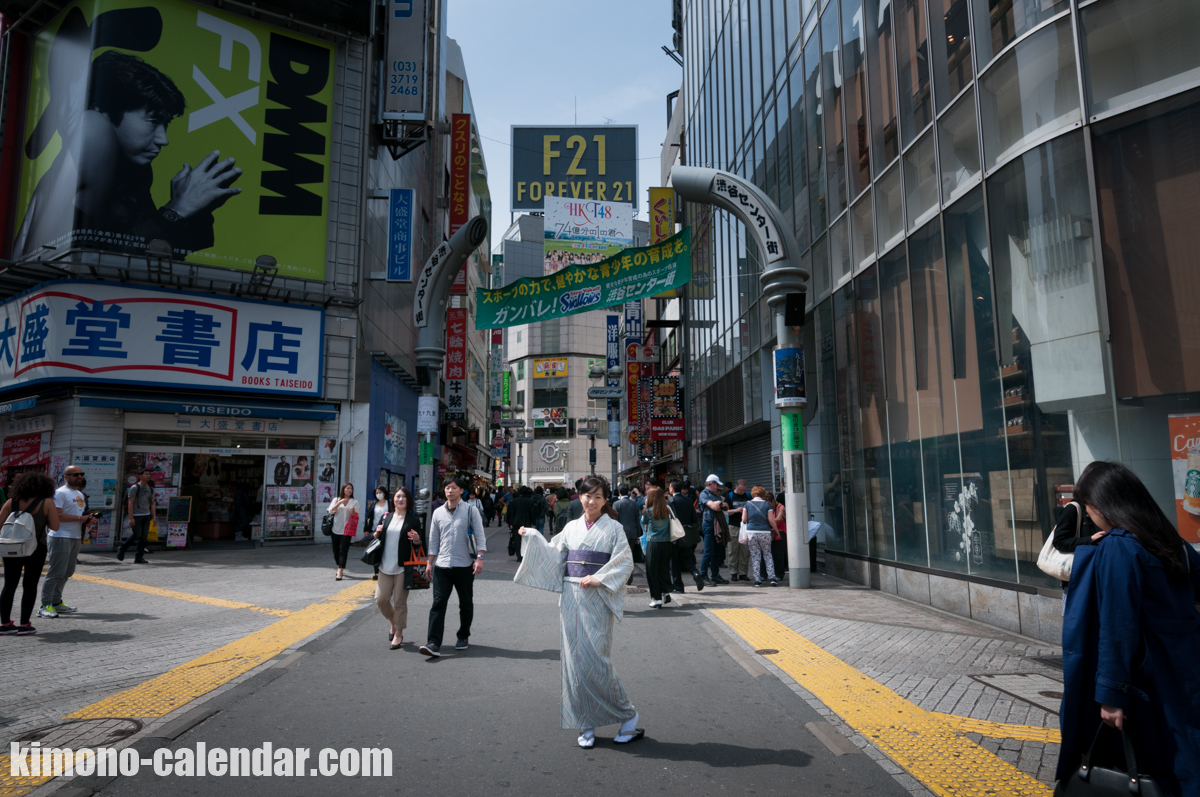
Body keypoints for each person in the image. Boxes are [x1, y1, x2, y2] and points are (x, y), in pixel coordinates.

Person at [1057, 461, 1200, 796]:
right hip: (1185, 671)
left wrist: (1109, 696)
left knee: (1157, 764)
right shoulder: (1170, 541)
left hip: (1145, 681)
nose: (1090, 517)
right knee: (1185, 754)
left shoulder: (1119, 546)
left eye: (1090, 508)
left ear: (1101, 505)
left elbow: (1116, 627)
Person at [514, 474, 644, 748]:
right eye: (588, 495)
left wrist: (601, 578)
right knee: (574, 663)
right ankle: (585, 723)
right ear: (580, 497)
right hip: (572, 597)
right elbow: (553, 553)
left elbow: (624, 562)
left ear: (605, 500)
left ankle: (628, 715)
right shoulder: (571, 527)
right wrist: (534, 536)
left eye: (598, 496)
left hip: (597, 596)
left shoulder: (614, 529)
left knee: (597, 661)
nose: (592, 500)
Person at [420, 475, 486, 657]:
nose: (450, 490)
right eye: (447, 487)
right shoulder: (437, 513)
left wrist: (479, 558)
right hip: (442, 566)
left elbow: (480, 536)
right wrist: (429, 562)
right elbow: (433, 540)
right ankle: (433, 642)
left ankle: (463, 635)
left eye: (454, 487)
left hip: (464, 565)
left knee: (465, 603)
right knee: (438, 604)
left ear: (461, 490)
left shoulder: (470, 511)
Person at [0, 472, 61, 635]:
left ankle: (5, 624)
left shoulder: (10, 502)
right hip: (36, 548)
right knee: (30, 585)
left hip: (11, 548)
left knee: (9, 585)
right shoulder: (46, 502)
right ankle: (24, 624)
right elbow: (55, 526)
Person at [373, 487, 423, 650]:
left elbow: (419, 546)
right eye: (397, 496)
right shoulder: (386, 517)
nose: (400, 499)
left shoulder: (412, 520)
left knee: (400, 602)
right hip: (384, 565)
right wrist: (376, 533)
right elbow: (378, 538)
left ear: (408, 501)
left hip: (403, 567)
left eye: (403, 497)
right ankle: (394, 622)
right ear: (393, 499)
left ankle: (398, 633)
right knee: (381, 599)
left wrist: (416, 540)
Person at [39, 466, 91, 619]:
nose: (79, 476)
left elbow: (78, 516)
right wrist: (80, 519)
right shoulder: (60, 493)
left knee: (68, 572)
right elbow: (56, 515)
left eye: (81, 474)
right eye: (76, 474)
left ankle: (56, 602)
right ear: (66, 476)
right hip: (60, 535)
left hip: (74, 536)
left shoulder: (79, 494)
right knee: (55, 572)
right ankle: (45, 605)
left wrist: (87, 520)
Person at [640, 487, 675, 607]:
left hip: (653, 543)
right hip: (666, 543)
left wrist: (645, 506)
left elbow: (643, 522)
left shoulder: (648, 511)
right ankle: (666, 592)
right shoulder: (667, 509)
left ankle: (656, 598)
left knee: (652, 571)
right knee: (664, 568)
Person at [668, 481, 704, 593]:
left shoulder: (670, 502)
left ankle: (679, 586)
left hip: (675, 536)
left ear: (672, 488)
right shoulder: (689, 500)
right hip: (687, 535)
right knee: (687, 558)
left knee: (675, 561)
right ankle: (695, 573)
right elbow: (694, 519)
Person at [740, 486, 780, 587]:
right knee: (767, 555)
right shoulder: (767, 504)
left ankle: (757, 580)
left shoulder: (747, 504)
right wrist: (776, 530)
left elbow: (744, 519)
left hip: (751, 532)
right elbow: (771, 520)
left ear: (753, 494)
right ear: (763, 494)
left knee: (755, 556)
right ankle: (772, 578)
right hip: (765, 532)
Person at [118, 468, 154, 564]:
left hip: (147, 515)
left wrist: (153, 517)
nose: (148, 476)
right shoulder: (134, 487)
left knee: (143, 537)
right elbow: (130, 502)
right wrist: (131, 517)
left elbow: (152, 503)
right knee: (137, 534)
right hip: (136, 515)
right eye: (146, 474)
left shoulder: (150, 488)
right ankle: (123, 547)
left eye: (149, 474)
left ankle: (139, 557)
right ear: (140, 476)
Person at [699, 475, 729, 586]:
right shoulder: (704, 494)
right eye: (716, 484)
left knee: (716, 552)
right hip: (709, 525)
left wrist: (718, 504)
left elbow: (725, 505)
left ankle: (715, 575)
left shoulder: (714, 495)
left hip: (717, 525)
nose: (718, 486)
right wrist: (718, 504)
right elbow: (716, 507)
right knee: (708, 552)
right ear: (711, 483)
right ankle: (703, 576)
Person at [326, 483, 359, 581]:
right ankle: (338, 565)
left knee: (343, 551)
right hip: (335, 529)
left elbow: (355, 515)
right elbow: (331, 511)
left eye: (351, 489)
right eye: (347, 488)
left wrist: (352, 511)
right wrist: (339, 502)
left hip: (347, 530)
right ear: (343, 489)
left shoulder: (354, 502)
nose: (349, 490)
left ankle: (340, 571)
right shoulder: (336, 499)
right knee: (335, 551)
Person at [613, 486, 645, 573]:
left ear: (619, 492)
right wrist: (638, 534)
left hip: (621, 533)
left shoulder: (616, 504)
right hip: (633, 532)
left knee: (621, 554)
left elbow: (615, 520)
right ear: (628, 492)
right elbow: (637, 519)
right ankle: (629, 574)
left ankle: (624, 574)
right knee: (630, 554)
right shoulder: (634, 504)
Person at [364, 486, 392, 581]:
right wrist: (367, 529)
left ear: (384, 493)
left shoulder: (390, 504)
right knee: (375, 550)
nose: (378, 494)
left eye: (380, 492)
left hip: (387, 530)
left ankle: (384, 570)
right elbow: (369, 517)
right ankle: (377, 572)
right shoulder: (373, 504)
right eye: (376, 493)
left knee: (385, 551)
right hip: (375, 531)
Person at [725, 479, 751, 581]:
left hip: (745, 526)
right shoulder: (729, 496)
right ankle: (733, 573)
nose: (742, 492)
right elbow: (725, 511)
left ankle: (743, 573)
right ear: (736, 486)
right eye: (740, 490)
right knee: (733, 550)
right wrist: (736, 510)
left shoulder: (748, 496)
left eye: (744, 490)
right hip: (733, 526)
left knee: (745, 551)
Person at [506, 486, 533, 559]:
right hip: (527, 522)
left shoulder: (514, 501)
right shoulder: (530, 501)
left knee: (517, 539)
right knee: (526, 539)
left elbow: (512, 513)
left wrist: (510, 522)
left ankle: (519, 556)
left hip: (516, 522)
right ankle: (525, 555)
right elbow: (531, 513)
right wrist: (533, 523)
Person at [770, 492, 788, 580]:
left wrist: (769, 521)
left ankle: (779, 574)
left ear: (773, 501)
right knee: (768, 553)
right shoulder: (766, 506)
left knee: (778, 554)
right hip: (769, 531)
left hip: (780, 531)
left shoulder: (780, 506)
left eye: (769, 504)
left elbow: (779, 518)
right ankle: (766, 573)